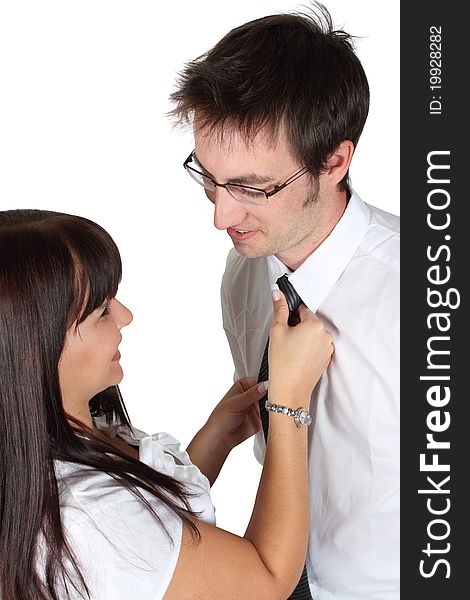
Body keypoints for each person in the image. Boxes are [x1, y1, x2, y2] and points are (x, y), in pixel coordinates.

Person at [170, 3, 399, 599]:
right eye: (209, 178)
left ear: (334, 162)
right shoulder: (243, 273)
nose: (221, 216)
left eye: (250, 187)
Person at [0, 209, 332, 600]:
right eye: (101, 311)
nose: (125, 316)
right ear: (33, 350)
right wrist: (289, 403)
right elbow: (267, 580)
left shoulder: (70, 443)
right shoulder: (87, 516)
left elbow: (154, 540)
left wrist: (215, 441)